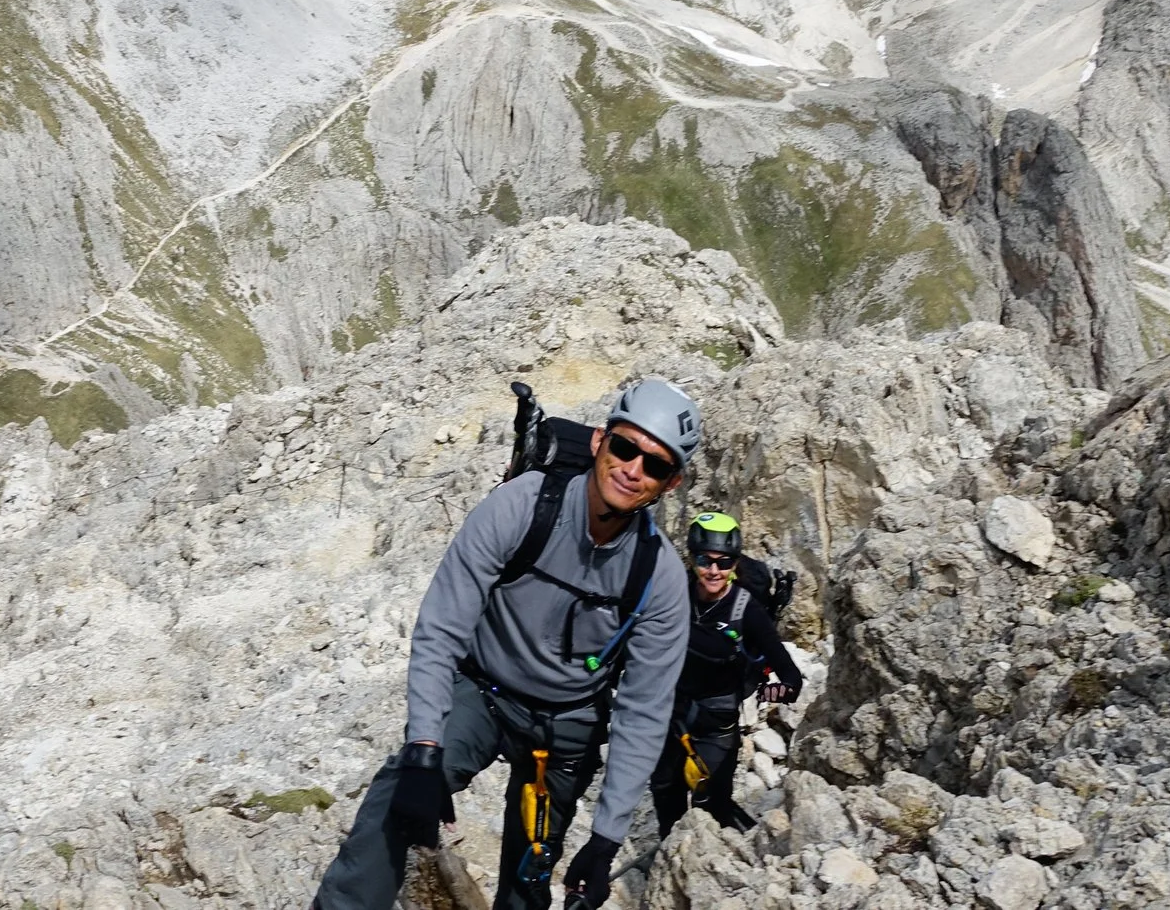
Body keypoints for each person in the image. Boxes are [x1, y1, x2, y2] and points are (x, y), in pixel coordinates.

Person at [311, 379, 702, 910]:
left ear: (671, 483)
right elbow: (442, 625)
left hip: (568, 724)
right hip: (483, 690)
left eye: (654, 465)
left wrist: (605, 841)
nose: (633, 470)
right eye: (624, 447)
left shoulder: (661, 579)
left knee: (529, 879)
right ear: (599, 441)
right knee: (398, 797)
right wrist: (424, 750)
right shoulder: (520, 505)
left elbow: (644, 710)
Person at [646, 512, 803, 839]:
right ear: (692, 559)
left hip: (716, 722)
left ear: (735, 564)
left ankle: (734, 851)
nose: (714, 571)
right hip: (669, 713)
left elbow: (791, 677)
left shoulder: (747, 611)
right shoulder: (676, 592)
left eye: (725, 562)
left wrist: (775, 692)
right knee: (665, 791)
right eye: (705, 561)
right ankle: (670, 854)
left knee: (712, 803)